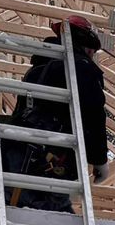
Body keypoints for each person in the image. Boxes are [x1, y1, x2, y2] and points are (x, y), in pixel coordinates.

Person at [7, 16, 109, 212]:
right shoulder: (81, 68)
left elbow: (21, 111)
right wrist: (99, 159)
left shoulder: (35, 71)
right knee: (53, 217)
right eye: (91, 50)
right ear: (84, 43)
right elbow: (93, 115)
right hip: (52, 157)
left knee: (19, 208)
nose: (92, 54)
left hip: (21, 155)